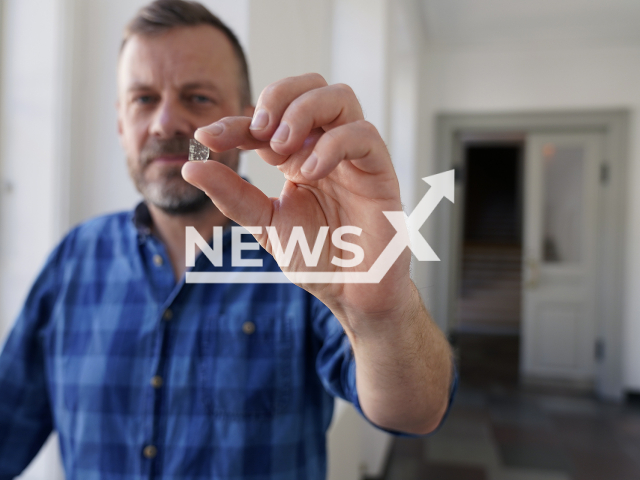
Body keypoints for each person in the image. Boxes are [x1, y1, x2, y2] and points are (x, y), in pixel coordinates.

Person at [0, 0, 456, 478]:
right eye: (143, 99)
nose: (164, 124)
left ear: (244, 123)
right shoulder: (74, 260)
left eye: (197, 98)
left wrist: (382, 314)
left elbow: (417, 413)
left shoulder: (307, 260)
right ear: (120, 123)